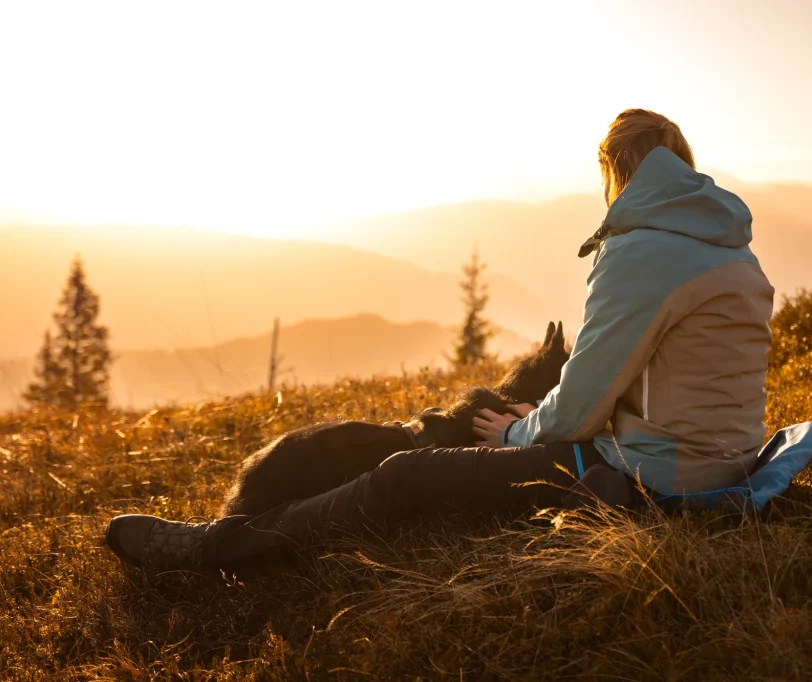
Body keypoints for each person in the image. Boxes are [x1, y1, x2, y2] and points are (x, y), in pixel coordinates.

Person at [104, 109, 775, 571]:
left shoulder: (640, 252)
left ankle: (221, 549)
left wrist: (517, 433)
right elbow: (665, 381)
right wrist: (540, 418)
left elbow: (578, 411)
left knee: (405, 473)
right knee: (459, 452)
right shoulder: (731, 252)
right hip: (725, 467)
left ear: (617, 172)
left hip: (653, 478)